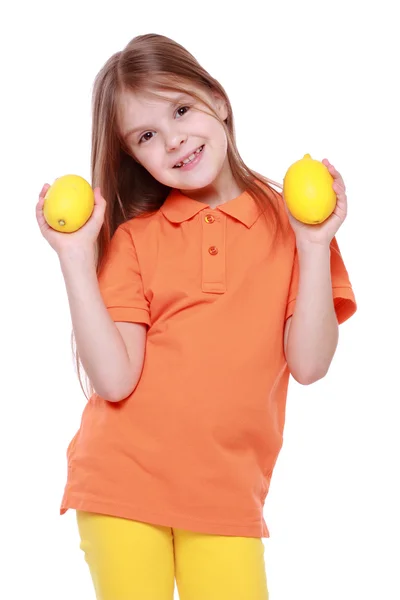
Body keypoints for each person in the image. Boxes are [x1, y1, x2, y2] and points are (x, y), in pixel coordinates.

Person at [36, 33, 356, 600]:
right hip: (122, 486)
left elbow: (309, 365)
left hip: (227, 499)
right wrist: (75, 262)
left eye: (181, 109)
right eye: (147, 136)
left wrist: (313, 245)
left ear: (218, 99)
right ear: (135, 158)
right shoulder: (136, 241)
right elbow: (114, 380)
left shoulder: (294, 224)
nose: (174, 139)